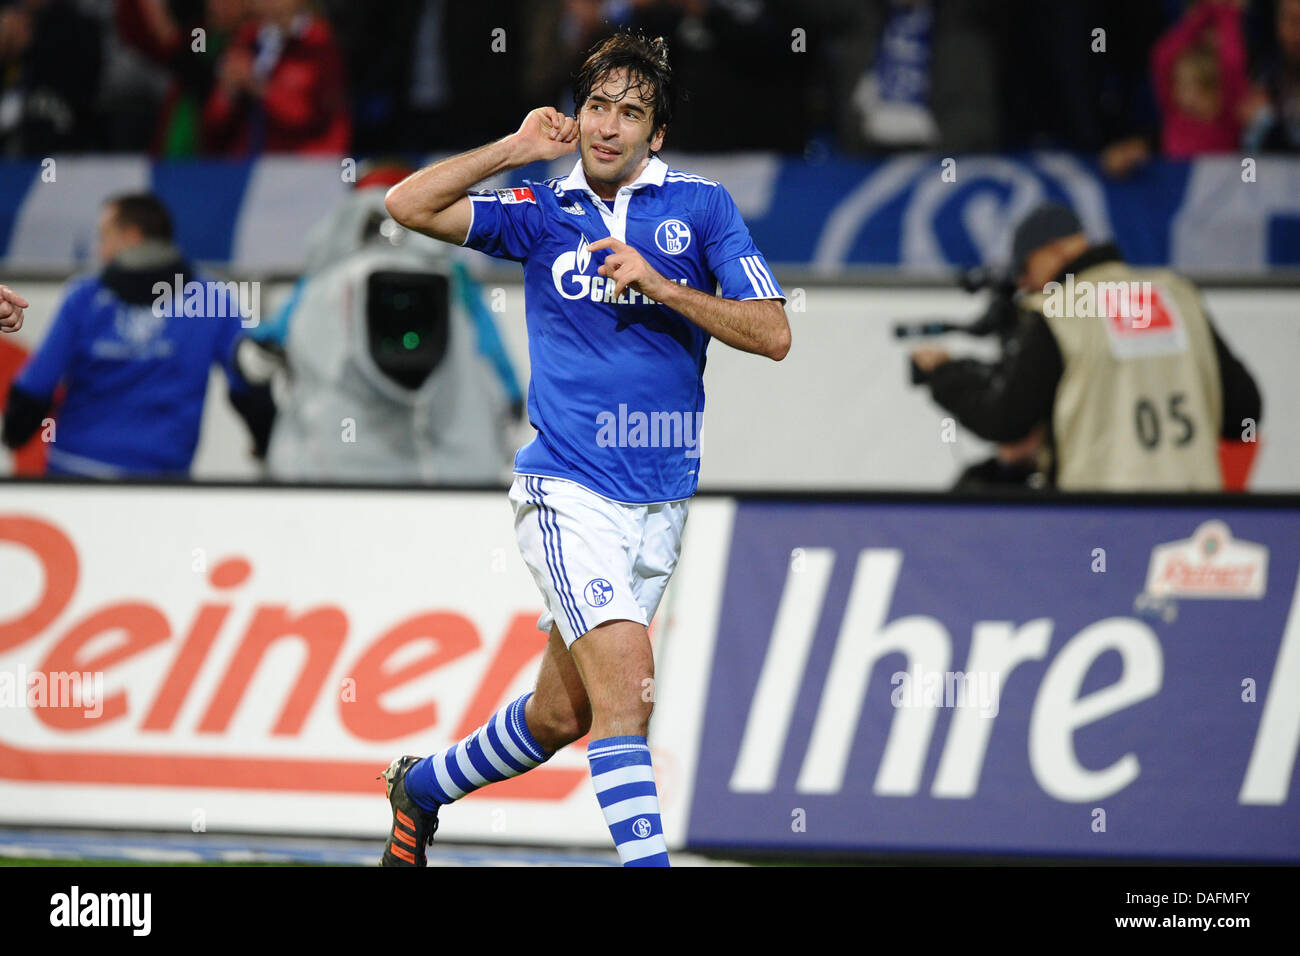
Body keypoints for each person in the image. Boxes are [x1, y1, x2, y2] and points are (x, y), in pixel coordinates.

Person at [380, 30, 790, 867]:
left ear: (657, 134)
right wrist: (514, 148)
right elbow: (406, 205)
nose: (607, 126)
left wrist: (664, 285)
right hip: (568, 488)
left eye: (630, 112)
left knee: (560, 717)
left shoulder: (702, 208)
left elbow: (775, 333)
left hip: (663, 498)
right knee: (629, 688)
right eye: (597, 105)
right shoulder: (542, 211)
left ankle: (418, 791)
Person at [911, 202, 1262, 492]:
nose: (1025, 285)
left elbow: (1007, 421)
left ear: (1053, 252)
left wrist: (944, 375)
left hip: (1098, 519)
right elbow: (1245, 411)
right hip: (1192, 520)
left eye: (1025, 270)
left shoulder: (1057, 311)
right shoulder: (1177, 294)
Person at [1, 193, 271, 476]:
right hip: (160, 481)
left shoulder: (84, 296)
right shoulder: (211, 298)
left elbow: (36, 385)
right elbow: (251, 381)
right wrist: (263, 441)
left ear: (131, 237)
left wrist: (14, 434)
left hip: (76, 475)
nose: (99, 250)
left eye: (104, 237)